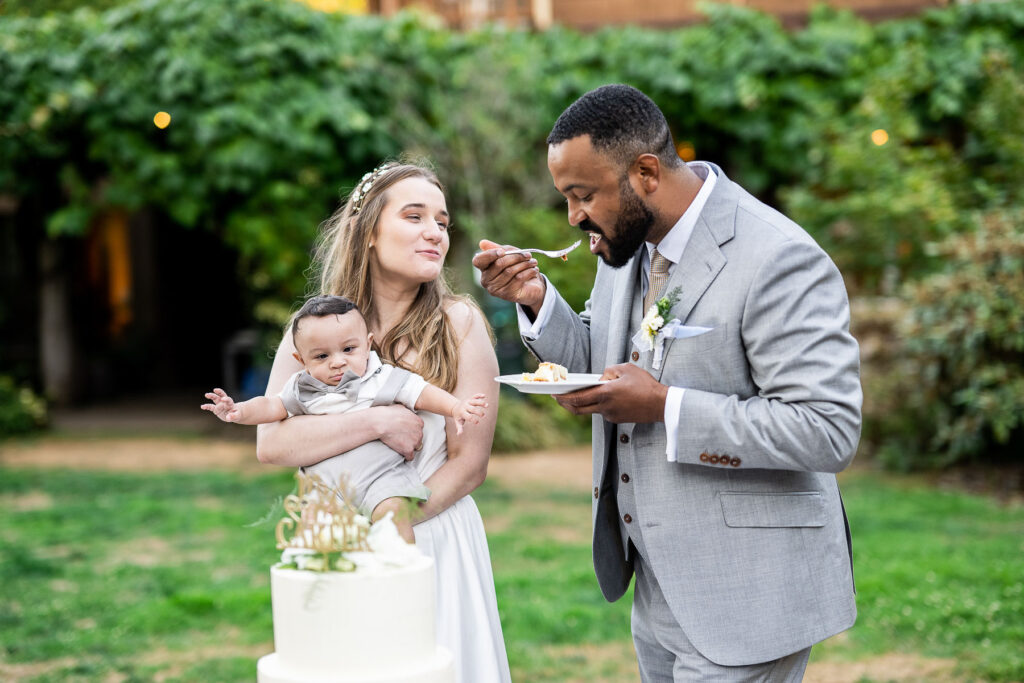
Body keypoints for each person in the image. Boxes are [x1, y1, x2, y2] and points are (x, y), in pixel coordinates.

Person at [473, 84, 861, 682]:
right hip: (658, 584)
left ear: (646, 172)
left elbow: (826, 430)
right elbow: (607, 364)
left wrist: (665, 407)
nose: (574, 217)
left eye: (583, 195)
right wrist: (536, 299)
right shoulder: (627, 247)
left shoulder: (778, 257)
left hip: (748, 590)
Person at [255, 161, 511, 683]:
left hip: (427, 533)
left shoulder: (459, 324)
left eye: (442, 222)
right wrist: (376, 423)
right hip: (330, 541)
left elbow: (470, 464)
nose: (434, 232)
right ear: (369, 231)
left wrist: (388, 534)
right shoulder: (313, 331)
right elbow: (272, 443)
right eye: (414, 216)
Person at [201, 294, 488, 544]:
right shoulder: (303, 387)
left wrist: (455, 408)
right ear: (301, 360)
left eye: (348, 350)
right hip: (325, 487)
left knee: (393, 515)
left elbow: (422, 393)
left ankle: (402, 573)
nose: (337, 362)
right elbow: (271, 406)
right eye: (322, 356)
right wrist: (238, 411)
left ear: (368, 344)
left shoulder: (380, 377)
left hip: (381, 479)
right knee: (323, 539)